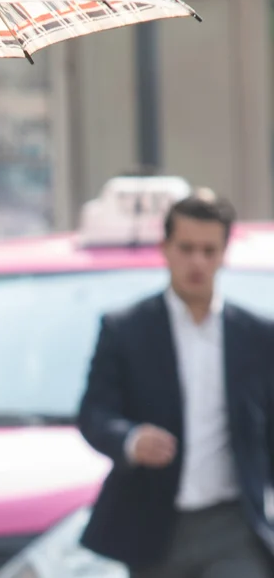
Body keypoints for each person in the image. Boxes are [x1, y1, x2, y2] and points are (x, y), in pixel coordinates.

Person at [78, 191, 274, 577]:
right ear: (165, 248)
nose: (197, 261)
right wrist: (131, 439)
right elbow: (95, 413)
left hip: (234, 524)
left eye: (208, 250)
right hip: (155, 525)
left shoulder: (257, 335)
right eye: (186, 248)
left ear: (223, 253)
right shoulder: (126, 329)